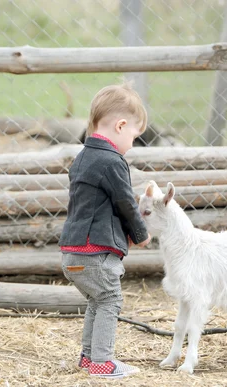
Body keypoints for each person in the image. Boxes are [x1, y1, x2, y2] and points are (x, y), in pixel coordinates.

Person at [59, 82, 152, 378]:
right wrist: (140, 233)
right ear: (121, 125)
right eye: (134, 137)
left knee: (96, 301)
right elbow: (125, 202)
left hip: (71, 253)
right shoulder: (112, 161)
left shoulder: (82, 157)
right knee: (110, 299)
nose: (132, 144)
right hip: (94, 252)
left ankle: (87, 358)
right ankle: (102, 362)